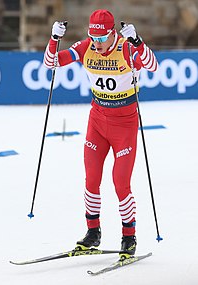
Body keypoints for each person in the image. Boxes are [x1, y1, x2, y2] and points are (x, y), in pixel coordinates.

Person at [43, 9, 158, 257]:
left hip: (124, 124)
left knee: (120, 184)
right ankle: (92, 233)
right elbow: (51, 63)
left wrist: (137, 42)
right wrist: (54, 39)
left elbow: (153, 65)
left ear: (112, 33)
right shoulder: (87, 47)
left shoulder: (126, 48)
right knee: (91, 180)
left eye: (101, 38)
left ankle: (129, 237)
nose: (97, 43)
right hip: (97, 122)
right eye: (93, 38)